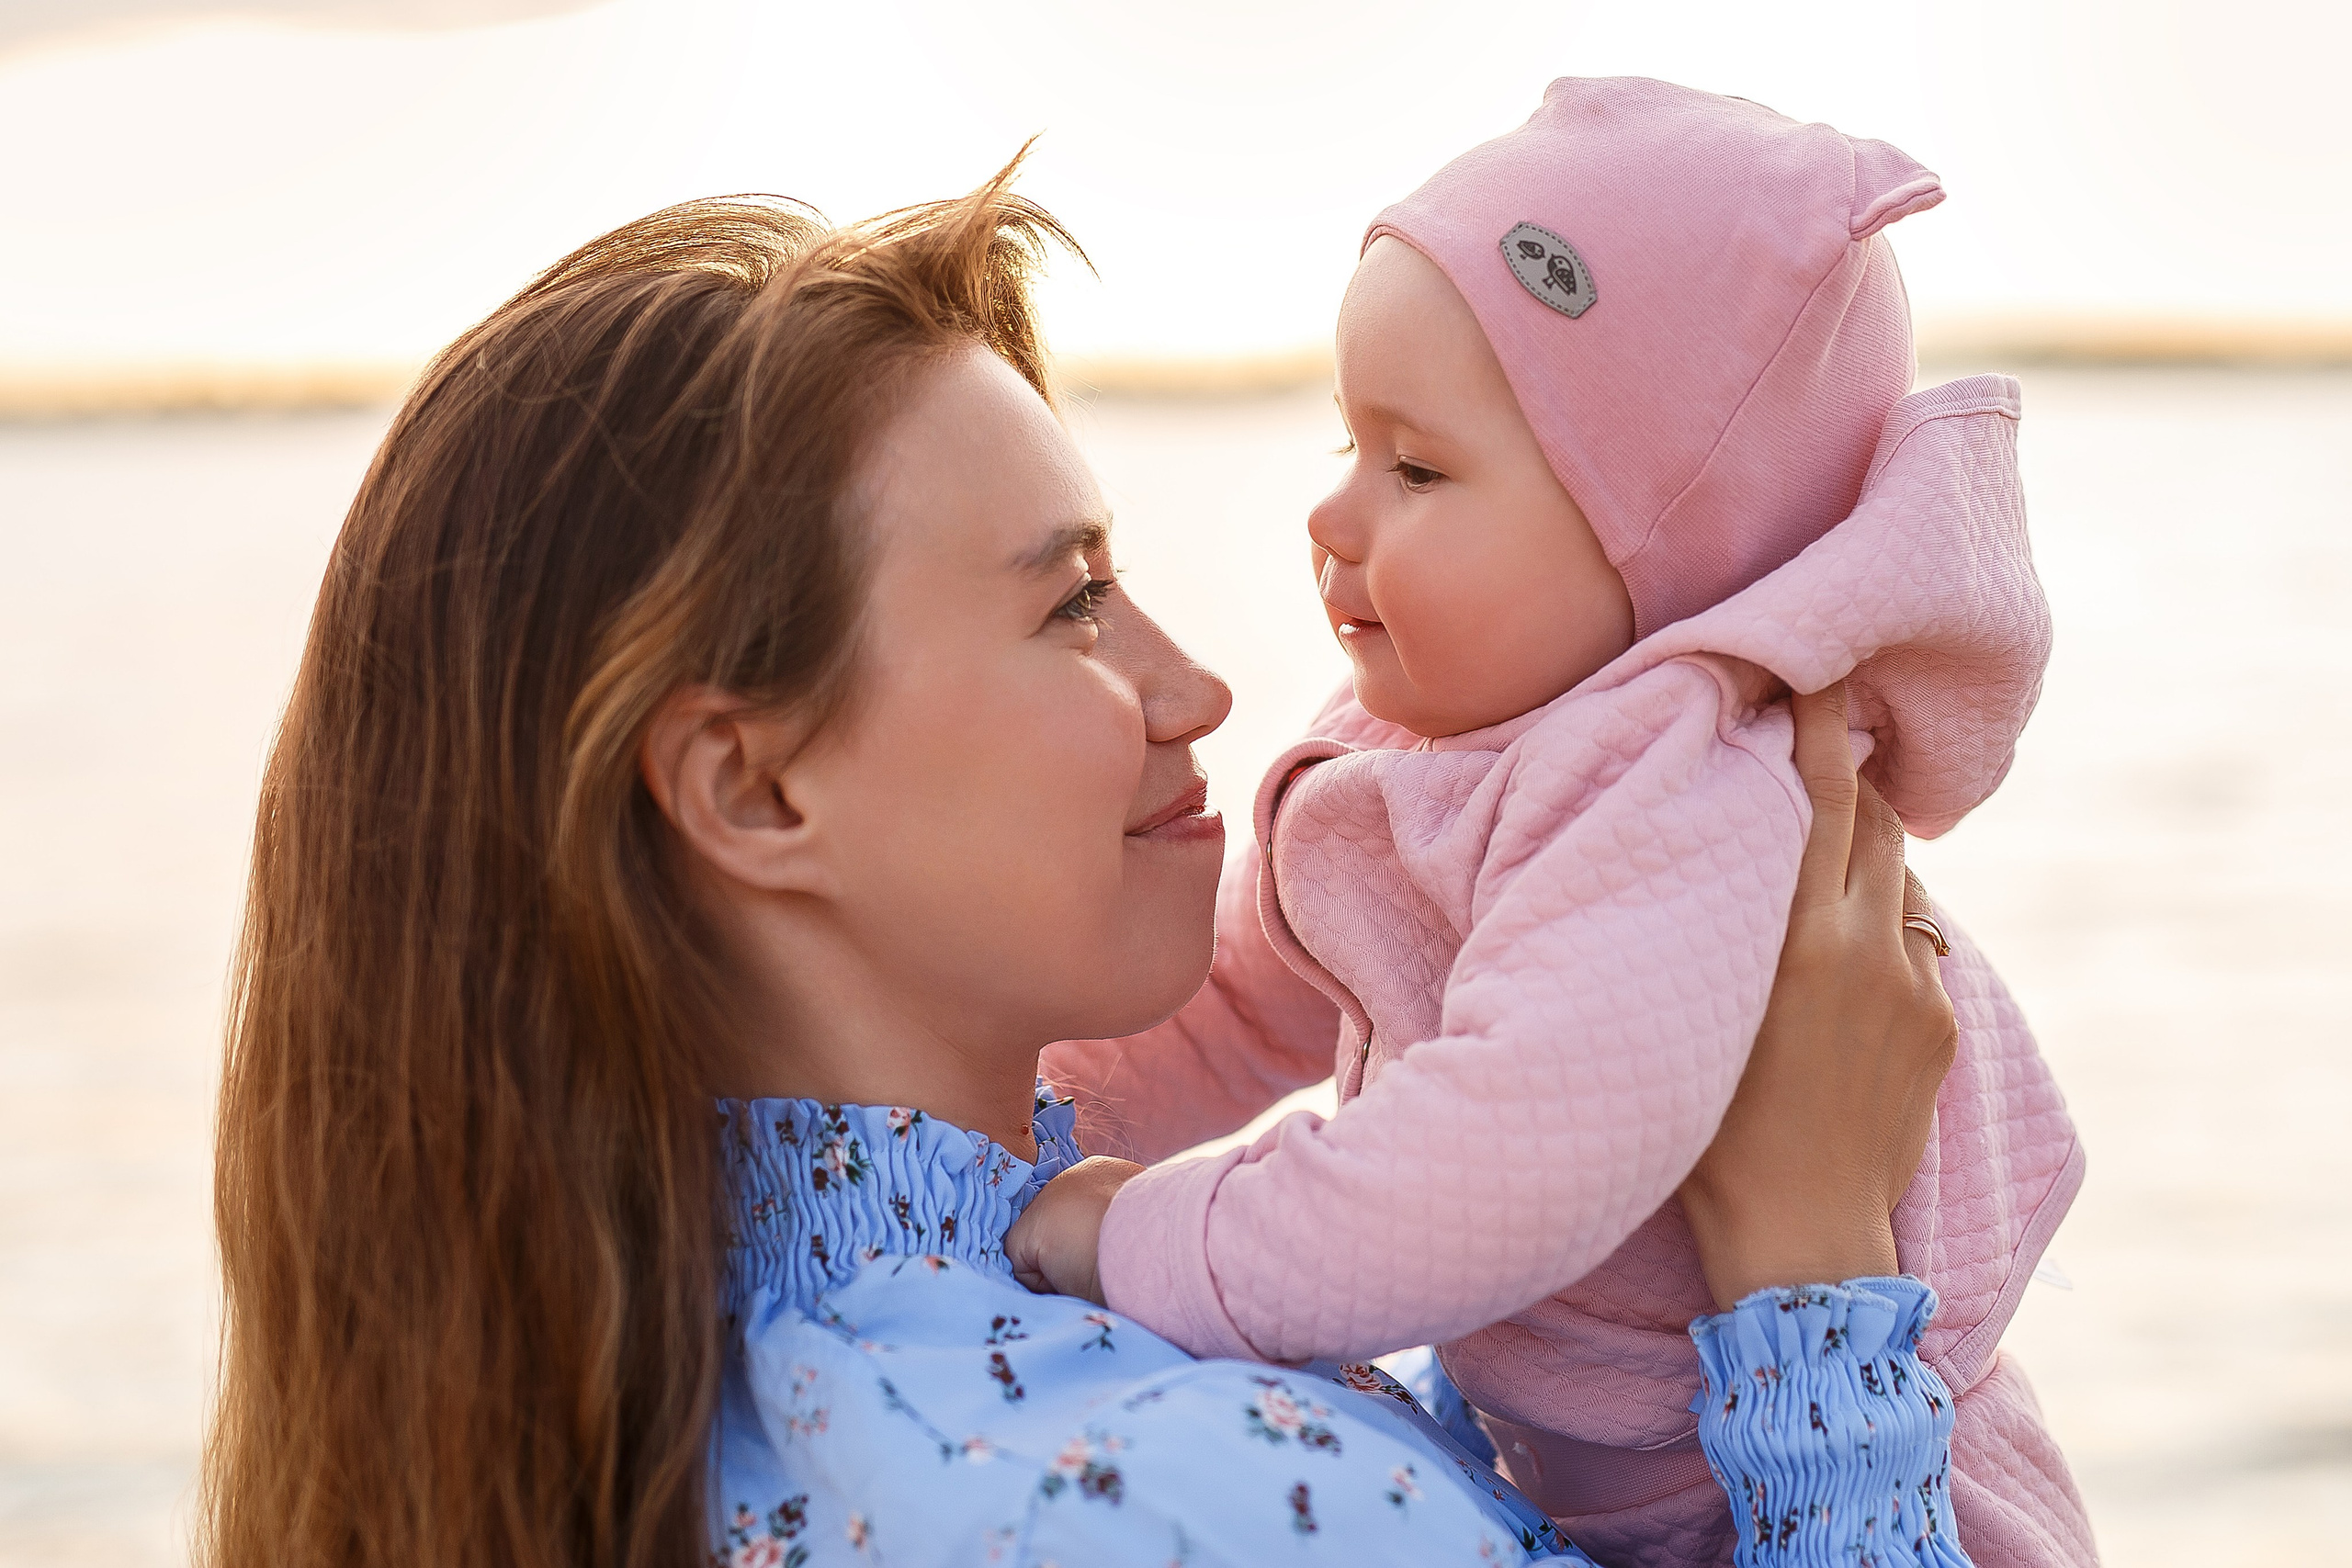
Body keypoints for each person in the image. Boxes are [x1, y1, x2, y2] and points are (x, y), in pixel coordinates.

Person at [204, 167, 1968, 1568]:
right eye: (1071, 604)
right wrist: (1807, 1285)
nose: (1197, 690)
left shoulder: (666, 1393)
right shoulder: (1143, 1496)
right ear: (750, 793)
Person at [1015, 79, 2093, 1568]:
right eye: (1346, 443)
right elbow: (1236, 1004)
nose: (1332, 516)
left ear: (1667, 553)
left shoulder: (1679, 789)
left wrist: (1145, 1239)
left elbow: (1499, 1162)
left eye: (1419, 468)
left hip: (1833, 1481)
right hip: (1587, 1463)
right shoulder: (1416, 743)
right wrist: (1024, 1129)